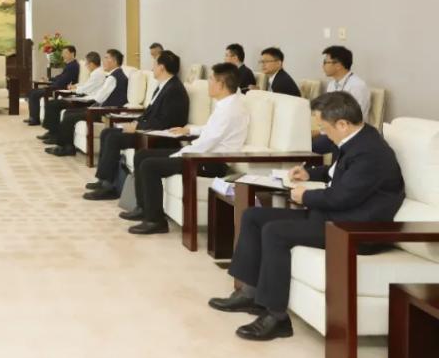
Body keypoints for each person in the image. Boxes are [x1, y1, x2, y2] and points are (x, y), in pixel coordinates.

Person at [209, 92, 404, 341]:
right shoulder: (357, 139)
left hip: (353, 228)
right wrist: (311, 174)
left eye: (324, 128)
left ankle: (277, 317)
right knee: (254, 216)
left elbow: (343, 197)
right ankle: (250, 294)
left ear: (342, 124)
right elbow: (340, 173)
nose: (323, 134)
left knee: (274, 232)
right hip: (334, 217)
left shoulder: (370, 153)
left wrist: (305, 197)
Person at [123, 63, 250, 234]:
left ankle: (156, 221)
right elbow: (211, 130)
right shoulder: (227, 104)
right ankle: (143, 208)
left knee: (149, 165)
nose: (208, 83)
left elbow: (207, 142)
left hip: (212, 162)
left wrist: (179, 154)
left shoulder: (230, 111)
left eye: (211, 79)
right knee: (142, 155)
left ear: (221, 85)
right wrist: (190, 130)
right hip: (202, 155)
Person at [83, 50, 190, 200]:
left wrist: (138, 127)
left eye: (154, 64)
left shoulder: (174, 90)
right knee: (107, 133)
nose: (152, 68)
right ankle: (103, 180)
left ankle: (109, 187)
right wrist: (135, 122)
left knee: (113, 138)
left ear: (162, 67)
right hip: (148, 130)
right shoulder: (163, 86)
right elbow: (150, 113)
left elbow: (166, 122)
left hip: (158, 137)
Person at [44, 50, 130, 156]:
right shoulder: (116, 75)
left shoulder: (113, 77)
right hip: (102, 108)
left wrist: (90, 98)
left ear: (114, 61)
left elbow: (99, 98)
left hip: (104, 112)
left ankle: (66, 148)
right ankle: (66, 146)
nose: (103, 61)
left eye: (106, 58)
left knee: (69, 116)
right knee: (68, 113)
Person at [37, 51, 104, 136]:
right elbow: (85, 84)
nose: (86, 66)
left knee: (54, 104)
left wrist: (74, 89)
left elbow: (85, 89)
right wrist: (75, 86)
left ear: (91, 64)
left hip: (86, 101)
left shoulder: (97, 74)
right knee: (53, 103)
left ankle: (52, 133)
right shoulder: (95, 73)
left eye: (86, 63)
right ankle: (51, 132)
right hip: (83, 98)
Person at [24, 45, 79, 126]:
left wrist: (51, 86)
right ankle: (33, 117)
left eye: (65, 53)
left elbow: (64, 81)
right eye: (63, 53)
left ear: (72, 53)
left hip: (59, 89)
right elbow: (60, 77)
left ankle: (34, 119)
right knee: (32, 92)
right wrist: (49, 79)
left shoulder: (73, 66)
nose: (63, 55)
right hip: (55, 87)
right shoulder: (69, 65)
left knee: (34, 93)